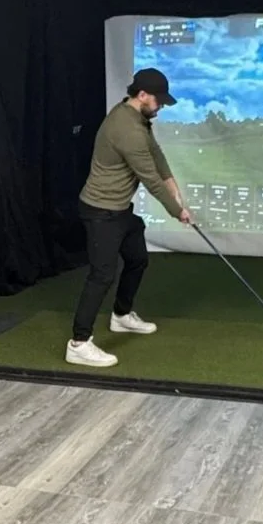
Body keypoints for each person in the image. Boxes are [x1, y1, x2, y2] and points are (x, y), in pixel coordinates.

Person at [67, 67, 192, 367]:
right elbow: (150, 179)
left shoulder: (135, 115)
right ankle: (79, 343)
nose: (161, 106)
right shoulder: (127, 130)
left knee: (137, 258)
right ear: (142, 95)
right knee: (102, 275)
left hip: (120, 210)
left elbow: (155, 153)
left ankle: (121, 316)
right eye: (158, 100)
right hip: (101, 211)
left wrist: (173, 185)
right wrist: (179, 212)